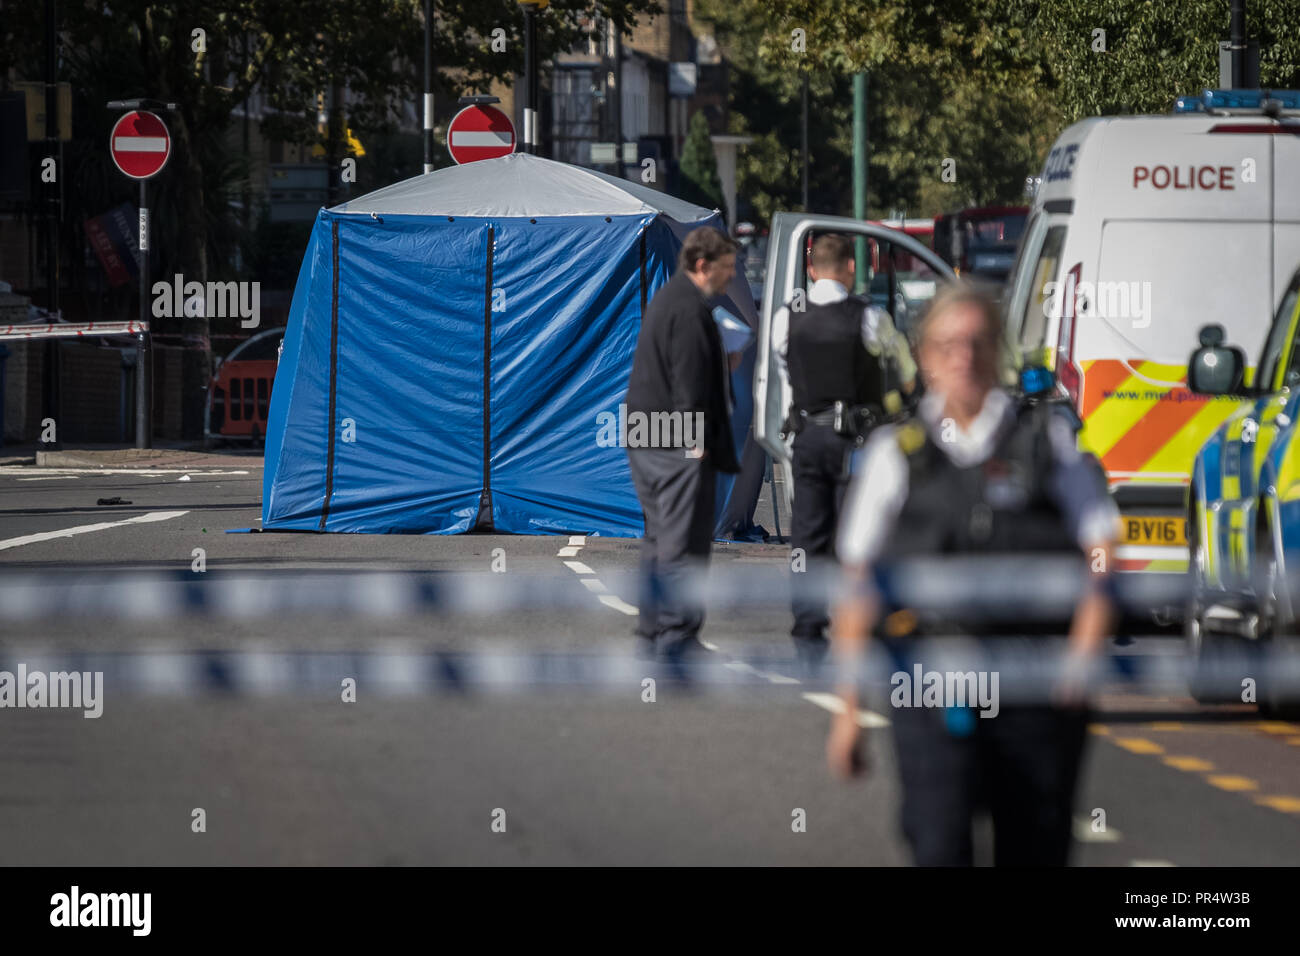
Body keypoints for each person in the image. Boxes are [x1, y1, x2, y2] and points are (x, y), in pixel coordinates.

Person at [825, 282, 1119, 866]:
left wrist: (1082, 660)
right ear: (926, 357)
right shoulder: (896, 454)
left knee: (1035, 849)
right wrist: (849, 712)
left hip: (1036, 684)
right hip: (932, 685)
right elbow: (858, 585)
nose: (964, 356)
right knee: (938, 843)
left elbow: (1102, 553)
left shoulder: (1047, 443)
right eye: (949, 344)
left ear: (998, 354)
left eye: (979, 343)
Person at [770, 234, 917, 669]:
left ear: (811, 270)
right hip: (858, 443)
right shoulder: (869, 316)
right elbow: (904, 373)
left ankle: (808, 628)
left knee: (808, 536)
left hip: (808, 440)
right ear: (851, 270)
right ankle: (861, 624)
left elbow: (783, 374)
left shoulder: (786, 317)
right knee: (859, 535)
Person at [624, 226, 742, 662]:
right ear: (701, 265)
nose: (730, 276)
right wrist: (696, 440)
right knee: (682, 539)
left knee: (659, 536)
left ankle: (652, 630)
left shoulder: (670, 300)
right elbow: (689, 379)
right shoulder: (691, 309)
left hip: (646, 431)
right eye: (726, 268)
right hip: (675, 438)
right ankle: (676, 637)